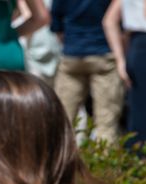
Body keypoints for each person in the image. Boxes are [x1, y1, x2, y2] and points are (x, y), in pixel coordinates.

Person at [51, 0, 125, 143]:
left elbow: (56, 23)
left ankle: (58, 162)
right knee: (106, 124)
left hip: (72, 54)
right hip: (104, 54)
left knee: (62, 122)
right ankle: (105, 163)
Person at [103, 0, 146, 163]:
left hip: (135, 48)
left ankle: (135, 169)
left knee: (139, 118)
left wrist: (120, 60)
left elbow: (109, 20)